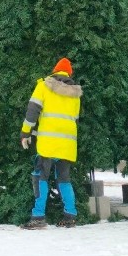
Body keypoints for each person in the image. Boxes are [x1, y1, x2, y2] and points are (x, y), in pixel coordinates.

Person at [20, 57, 83, 229]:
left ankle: (38, 217)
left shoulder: (44, 86)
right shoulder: (75, 94)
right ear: (69, 74)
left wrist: (26, 132)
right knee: (64, 180)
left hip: (48, 143)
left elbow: (32, 111)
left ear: (54, 71)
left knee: (40, 177)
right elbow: (75, 120)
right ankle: (70, 216)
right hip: (68, 145)